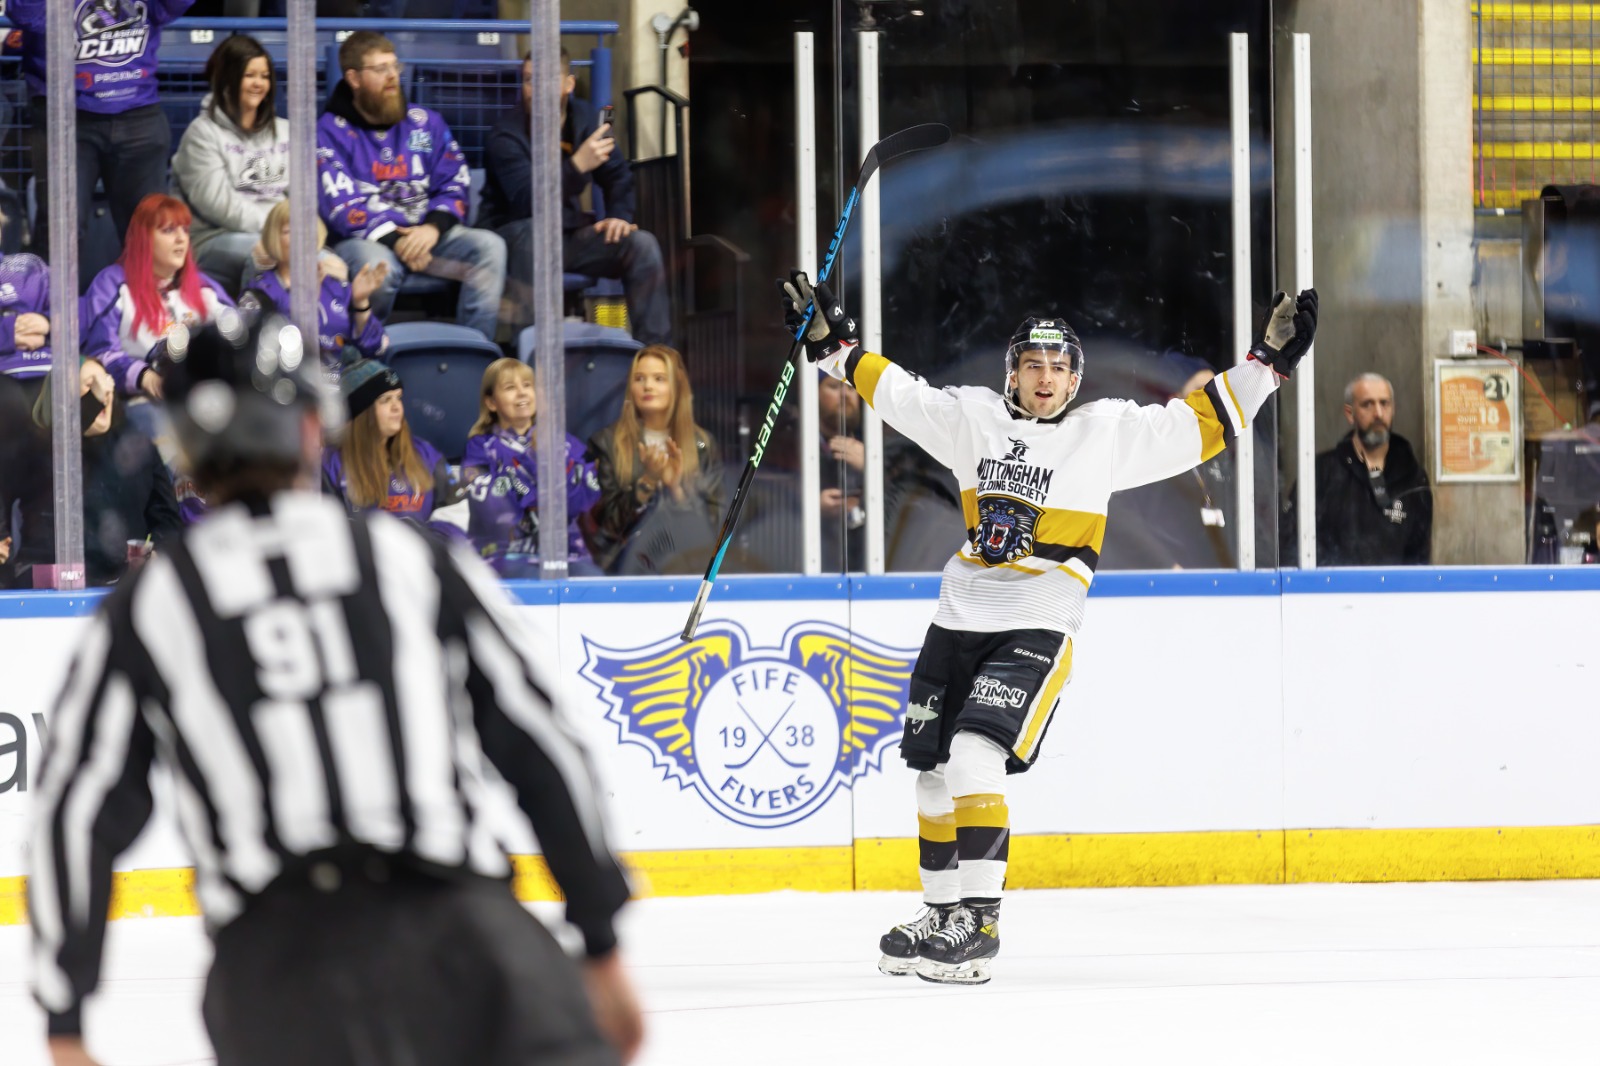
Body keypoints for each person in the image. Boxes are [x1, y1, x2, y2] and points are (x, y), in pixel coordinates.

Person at [29, 312, 643, 1066]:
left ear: (186, 448)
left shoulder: (157, 602)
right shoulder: (410, 558)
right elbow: (543, 740)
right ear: (313, 429)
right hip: (470, 943)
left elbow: (75, 811)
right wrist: (601, 939)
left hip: (280, 974)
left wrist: (64, 1019)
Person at [779, 274, 1317, 985]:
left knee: (975, 756)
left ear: (1075, 381)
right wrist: (832, 349)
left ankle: (980, 923)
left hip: (1037, 619)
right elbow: (901, 396)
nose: (1046, 377)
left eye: (1060, 367)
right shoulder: (972, 419)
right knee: (933, 774)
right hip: (957, 614)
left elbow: (1198, 426)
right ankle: (941, 913)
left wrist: (1266, 367)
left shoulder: (1106, 433)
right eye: (1033, 365)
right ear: (1013, 373)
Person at [317, 31, 507, 341]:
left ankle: (475, 354)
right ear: (354, 78)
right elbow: (341, 205)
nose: (392, 76)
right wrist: (397, 242)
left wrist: (432, 228)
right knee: (377, 266)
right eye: (380, 69)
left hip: (427, 235)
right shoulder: (329, 131)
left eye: (395, 66)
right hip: (367, 239)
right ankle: (365, 357)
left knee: (489, 247)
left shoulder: (424, 122)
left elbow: (455, 180)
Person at [481, 50, 671, 345]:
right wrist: (577, 166)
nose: (536, 89)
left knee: (641, 244)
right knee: (535, 232)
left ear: (568, 84)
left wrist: (619, 216)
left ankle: (656, 358)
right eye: (530, 80)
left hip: (567, 238)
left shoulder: (585, 120)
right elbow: (525, 200)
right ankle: (532, 357)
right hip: (513, 237)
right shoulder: (505, 135)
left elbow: (618, 175)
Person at [11, 0, 196, 258]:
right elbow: (25, 14)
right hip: (65, 117)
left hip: (138, 115)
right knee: (60, 235)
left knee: (150, 233)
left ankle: (147, 299)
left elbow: (173, 5)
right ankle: (50, 299)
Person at [5, 357, 179, 588]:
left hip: (124, 584)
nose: (105, 390)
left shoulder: (138, 446)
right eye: (90, 384)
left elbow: (167, 518)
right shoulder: (39, 449)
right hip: (46, 587)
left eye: (106, 381)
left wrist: (158, 549)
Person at [170, 33, 292, 295]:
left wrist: (294, 233)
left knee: (331, 265)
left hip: (283, 235)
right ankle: (259, 332)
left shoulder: (285, 131)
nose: (259, 84)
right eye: (250, 75)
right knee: (266, 256)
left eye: (265, 76)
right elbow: (219, 206)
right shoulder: (202, 133)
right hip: (215, 237)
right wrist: (278, 232)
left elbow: (303, 195)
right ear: (228, 79)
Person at [81, 193, 234, 400]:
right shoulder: (112, 284)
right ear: (145, 238)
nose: (181, 238)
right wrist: (145, 377)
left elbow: (237, 337)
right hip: (136, 398)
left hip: (199, 399)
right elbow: (100, 353)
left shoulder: (204, 287)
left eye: (185, 230)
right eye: (168, 230)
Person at [585, 345, 722, 574]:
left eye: (659, 379)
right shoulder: (605, 442)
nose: (647, 386)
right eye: (639, 379)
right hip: (624, 569)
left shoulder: (702, 444)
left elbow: (716, 526)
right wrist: (647, 483)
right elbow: (603, 529)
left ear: (677, 386)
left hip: (689, 567)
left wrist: (677, 490)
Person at [461, 356, 602, 575]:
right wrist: (539, 469)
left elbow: (586, 501)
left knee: (593, 580)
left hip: (568, 554)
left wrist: (545, 460)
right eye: (510, 387)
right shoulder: (480, 448)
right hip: (504, 556)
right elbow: (493, 510)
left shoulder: (565, 443)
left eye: (527, 385)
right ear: (491, 402)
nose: (522, 392)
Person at [1283, 371, 1432, 566]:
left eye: (1384, 403)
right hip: (1332, 592)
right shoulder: (1321, 474)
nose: (1378, 413)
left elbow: (1419, 558)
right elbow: (1292, 545)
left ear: (1393, 409)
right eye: (1367, 404)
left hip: (1392, 594)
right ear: (1349, 413)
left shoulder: (1413, 478)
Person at [323, 358, 463, 534]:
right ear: (361, 412)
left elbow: (456, 513)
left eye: (398, 397)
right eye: (385, 400)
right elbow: (328, 535)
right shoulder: (331, 466)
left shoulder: (427, 454)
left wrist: (431, 549)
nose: (397, 407)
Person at [246, 198, 389, 369]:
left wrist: (360, 302)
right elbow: (253, 352)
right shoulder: (259, 290)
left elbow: (376, 348)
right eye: (289, 231)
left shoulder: (336, 287)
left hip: (338, 387)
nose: (301, 238)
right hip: (287, 386)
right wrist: (305, 297)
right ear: (273, 237)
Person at [0, 210, 53, 395]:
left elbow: (77, 314)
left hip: (50, 368)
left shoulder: (31, 267)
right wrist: (7, 335)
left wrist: (49, 324)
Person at [816, 373, 865, 570]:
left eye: (852, 388)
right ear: (812, 394)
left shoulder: (878, 447)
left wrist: (872, 468)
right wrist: (810, 508)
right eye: (835, 387)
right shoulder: (790, 447)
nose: (846, 394)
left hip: (868, 569)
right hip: (818, 569)